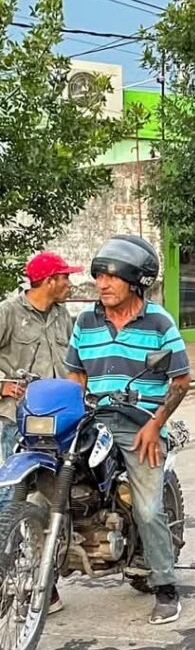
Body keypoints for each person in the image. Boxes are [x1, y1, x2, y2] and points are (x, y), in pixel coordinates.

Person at [66, 235, 191, 625]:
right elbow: (76, 375)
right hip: (94, 419)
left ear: (136, 282)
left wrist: (156, 425)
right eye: (99, 276)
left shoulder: (159, 321)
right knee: (53, 480)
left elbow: (180, 381)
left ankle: (166, 587)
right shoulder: (85, 321)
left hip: (141, 424)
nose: (102, 284)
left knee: (148, 508)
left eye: (112, 277)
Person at [0, 252, 81, 612]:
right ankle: (7, 578)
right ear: (49, 281)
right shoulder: (8, 312)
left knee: (56, 500)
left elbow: (77, 362)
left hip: (60, 423)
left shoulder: (64, 316)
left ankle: (45, 583)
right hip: (17, 422)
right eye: (65, 277)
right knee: (12, 500)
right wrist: (2, 384)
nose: (69, 283)